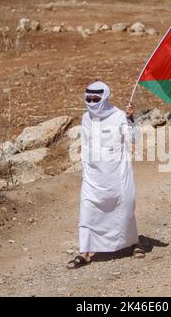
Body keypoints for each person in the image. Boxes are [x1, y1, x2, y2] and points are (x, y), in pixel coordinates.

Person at [67, 81, 145, 269]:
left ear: (105, 97)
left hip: (117, 174)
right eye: (89, 99)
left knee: (124, 209)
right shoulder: (86, 118)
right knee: (87, 211)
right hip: (93, 176)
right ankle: (84, 252)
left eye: (96, 98)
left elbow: (134, 139)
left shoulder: (119, 116)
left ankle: (134, 243)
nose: (92, 102)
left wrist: (130, 119)